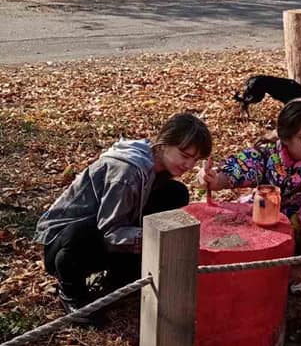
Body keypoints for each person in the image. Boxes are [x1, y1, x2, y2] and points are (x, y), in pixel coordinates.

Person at [36, 113, 212, 319]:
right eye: (184, 155)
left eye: (195, 159)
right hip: (66, 244)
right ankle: (71, 292)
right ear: (163, 143)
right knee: (86, 234)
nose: (189, 165)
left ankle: (117, 279)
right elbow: (111, 232)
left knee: (174, 193)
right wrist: (161, 239)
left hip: (109, 230)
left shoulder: (155, 166)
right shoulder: (128, 172)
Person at [199, 99, 301, 290]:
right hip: (265, 214)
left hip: (300, 228)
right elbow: (245, 165)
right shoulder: (269, 156)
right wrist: (215, 179)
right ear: (285, 138)